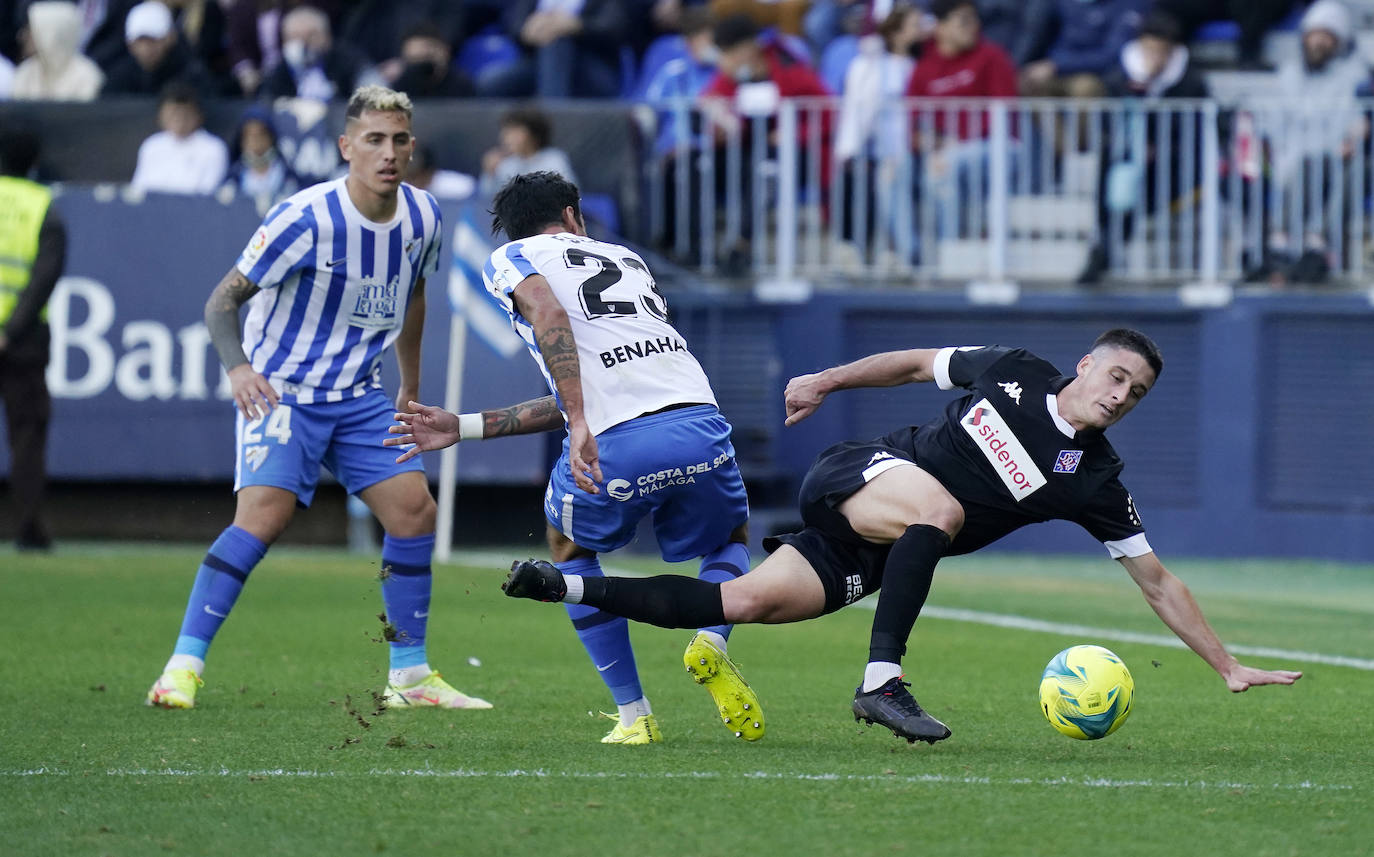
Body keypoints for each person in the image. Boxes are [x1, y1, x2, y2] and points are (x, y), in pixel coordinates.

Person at [503, 329, 1304, 744]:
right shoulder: (1015, 370)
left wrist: (1227, 664)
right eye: (1118, 377)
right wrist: (825, 379)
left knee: (741, 600)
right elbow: (917, 364)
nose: (1124, 396)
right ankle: (882, 678)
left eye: (1139, 391)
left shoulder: (1093, 479)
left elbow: (1157, 579)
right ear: (1087, 364)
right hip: (859, 472)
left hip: (873, 548)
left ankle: (561, 584)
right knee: (942, 512)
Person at [145, 85, 491, 714]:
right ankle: (181, 667)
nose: (389, 153)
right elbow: (222, 302)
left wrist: (410, 386)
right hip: (284, 394)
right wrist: (239, 368)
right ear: (346, 147)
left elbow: (414, 296)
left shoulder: (423, 217)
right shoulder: (304, 218)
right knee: (263, 520)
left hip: (360, 396)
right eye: (374, 140)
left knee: (414, 513)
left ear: (412, 146)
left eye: (399, 140)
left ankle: (410, 676)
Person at [385, 170, 758, 746]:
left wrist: (582, 420)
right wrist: (465, 427)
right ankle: (712, 638)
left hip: (617, 442)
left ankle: (636, 716)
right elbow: (589, 384)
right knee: (730, 539)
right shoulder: (625, 260)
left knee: (567, 549)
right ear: (572, 215)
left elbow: (551, 319)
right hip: (700, 423)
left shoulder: (511, 258)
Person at [0, 128, 65, 552]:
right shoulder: (44, 209)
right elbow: (44, 278)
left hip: (16, 338)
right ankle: (27, 527)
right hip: (21, 342)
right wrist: (9, 331)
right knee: (27, 434)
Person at [258, 4, 376, 102]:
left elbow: (372, 86)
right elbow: (264, 100)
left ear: (327, 37)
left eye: (311, 35)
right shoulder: (281, 68)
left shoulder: (347, 59)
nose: (304, 43)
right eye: (295, 37)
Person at [130, 83, 229, 195]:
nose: (178, 119)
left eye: (184, 114)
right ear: (161, 115)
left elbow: (208, 193)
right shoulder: (151, 146)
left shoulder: (213, 148)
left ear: (199, 115)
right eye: (172, 113)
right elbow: (138, 189)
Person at [102, 0, 217, 97]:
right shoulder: (119, 76)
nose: (146, 48)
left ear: (170, 39)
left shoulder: (191, 74)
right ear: (130, 44)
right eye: (140, 40)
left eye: (154, 40)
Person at [11, 0, 105, 101]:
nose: (22, 36)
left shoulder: (87, 76)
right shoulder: (25, 72)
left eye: (31, 30)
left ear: (51, 34)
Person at [477, 107, 578, 198]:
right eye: (505, 132)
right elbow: (488, 199)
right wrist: (490, 173)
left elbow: (568, 194)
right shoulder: (507, 164)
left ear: (534, 134)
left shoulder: (554, 159)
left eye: (513, 132)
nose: (506, 138)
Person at [222, 104, 302, 208]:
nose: (255, 141)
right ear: (241, 140)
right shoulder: (233, 178)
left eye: (261, 134)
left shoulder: (286, 175)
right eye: (249, 136)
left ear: (271, 138)